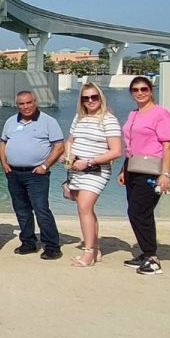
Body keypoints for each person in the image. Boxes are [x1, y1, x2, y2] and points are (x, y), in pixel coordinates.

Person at [118, 75, 170, 275]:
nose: (140, 93)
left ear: (151, 90)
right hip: (132, 167)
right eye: (135, 90)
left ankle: (152, 258)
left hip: (151, 169)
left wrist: (165, 173)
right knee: (135, 211)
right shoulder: (133, 114)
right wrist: (123, 170)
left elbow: (167, 146)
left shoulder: (161, 114)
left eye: (144, 89)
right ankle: (144, 253)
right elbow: (131, 146)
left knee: (139, 212)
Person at [0, 90, 65, 260]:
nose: (25, 106)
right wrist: (4, 163)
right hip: (14, 173)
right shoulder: (10, 121)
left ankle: (52, 246)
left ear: (35, 102)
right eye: (21, 104)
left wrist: (45, 165)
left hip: (37, 174)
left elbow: (59, 146)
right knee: (21, 210)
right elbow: (3, 142)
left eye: (29, 102)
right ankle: (28, 242)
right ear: (17, 105)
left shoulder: (48, 121)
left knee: (41, 209)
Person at [62, 84, 123, 268]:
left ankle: (88, 252)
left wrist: (89, 161)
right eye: (85, 98)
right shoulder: (79, 118)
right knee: (85, 209)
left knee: (84, 206)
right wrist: (68, 156)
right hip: (76, 169)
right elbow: (70, 141)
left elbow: (116, 151)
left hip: (96, 170)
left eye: (94, 97)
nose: (90, 101)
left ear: (101, 98)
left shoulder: (108, 120)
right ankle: (94, 249)